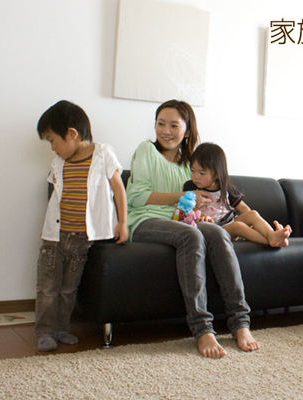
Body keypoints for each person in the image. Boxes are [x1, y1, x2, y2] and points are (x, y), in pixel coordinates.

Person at [126, 100, 260, 358]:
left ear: (187, 131)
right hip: (145, 220)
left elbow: (209, 198)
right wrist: (184, 196)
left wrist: (202, 210)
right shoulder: (146, 151)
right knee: (191, 235)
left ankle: (240, 323)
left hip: (182, 220)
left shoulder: (192, 163)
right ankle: (202, 329)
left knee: (218, 232)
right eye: (160, 124)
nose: (165, 131)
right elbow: (137, 197)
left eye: (174, 125)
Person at [36, 100, 128, 352]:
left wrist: (122, 222)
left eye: (52, 140)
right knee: (47, 288)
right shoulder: (59, 162)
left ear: (72, 134)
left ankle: (61, 329)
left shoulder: (103, 154)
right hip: (55, 238)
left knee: (68, 289)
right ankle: (44, 332)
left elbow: (118, 188)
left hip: (81, 239)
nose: (52, 148)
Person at [182, 142, 292, 247]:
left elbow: (243, 207)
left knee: (253, 214)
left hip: (228, 222)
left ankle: (272, 235)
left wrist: (251, 224)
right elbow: (187, 208)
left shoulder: (226, 188)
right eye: (192, 170)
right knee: (238, 226)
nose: (195, 176)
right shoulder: (190, 187)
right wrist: (201, 215)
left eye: (202, 173)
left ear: (217, 174)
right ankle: (271, 242)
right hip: (212, 229)